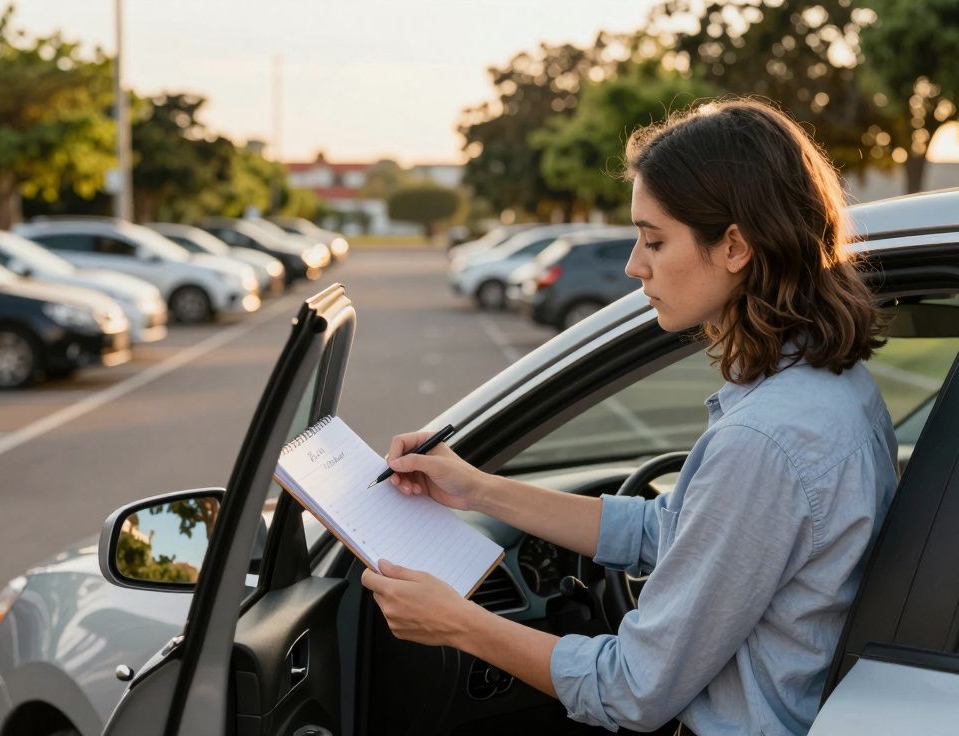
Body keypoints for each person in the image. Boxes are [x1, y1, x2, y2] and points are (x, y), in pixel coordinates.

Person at [360, 98, 898, 735]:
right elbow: (671, 529)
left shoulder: (767, 438)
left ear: (734, 245)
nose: (633, 264)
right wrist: (475, 488)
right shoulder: (826, 388)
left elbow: (635, 688)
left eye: (654, 240)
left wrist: (458, 623)